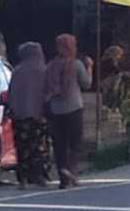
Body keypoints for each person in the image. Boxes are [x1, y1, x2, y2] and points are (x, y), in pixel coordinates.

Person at [45, 34, 93, 189]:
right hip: (73, 108)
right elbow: (86, 84)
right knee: (75, 143)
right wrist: (90, 67)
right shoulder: (77, 64)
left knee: (59, 144)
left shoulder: (51, 65)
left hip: (55, 109)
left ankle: (62, 178)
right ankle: (71, 171)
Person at [8, 42, 51, 188]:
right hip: (39, 114)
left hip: (20, 116)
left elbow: (11, 93)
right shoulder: (44, 71)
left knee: (22, 147)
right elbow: (48, 92)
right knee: (38, 146)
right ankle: (39, 176)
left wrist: (12, 109)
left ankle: (23, 179)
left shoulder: (17, 71)